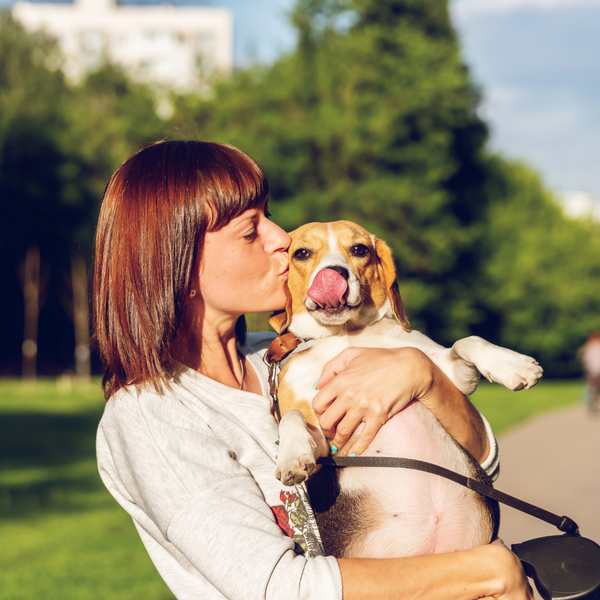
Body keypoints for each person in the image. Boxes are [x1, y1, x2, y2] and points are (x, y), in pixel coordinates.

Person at [93, 140, 532, 600]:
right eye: (250, 230)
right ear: (177, 260)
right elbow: (277, 589)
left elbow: (481, 465)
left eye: (269, 215)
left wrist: (423, 375)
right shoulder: (151, 416)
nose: (282, 237)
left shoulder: (291, 354)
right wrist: (485, 571)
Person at [580, 331, 600, 412]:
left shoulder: (589, 347)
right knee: (595, 387)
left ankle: (590, 400)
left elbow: (586, 359)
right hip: (597, 369)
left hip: (592, 370)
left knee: (592, 386)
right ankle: (592, 400)